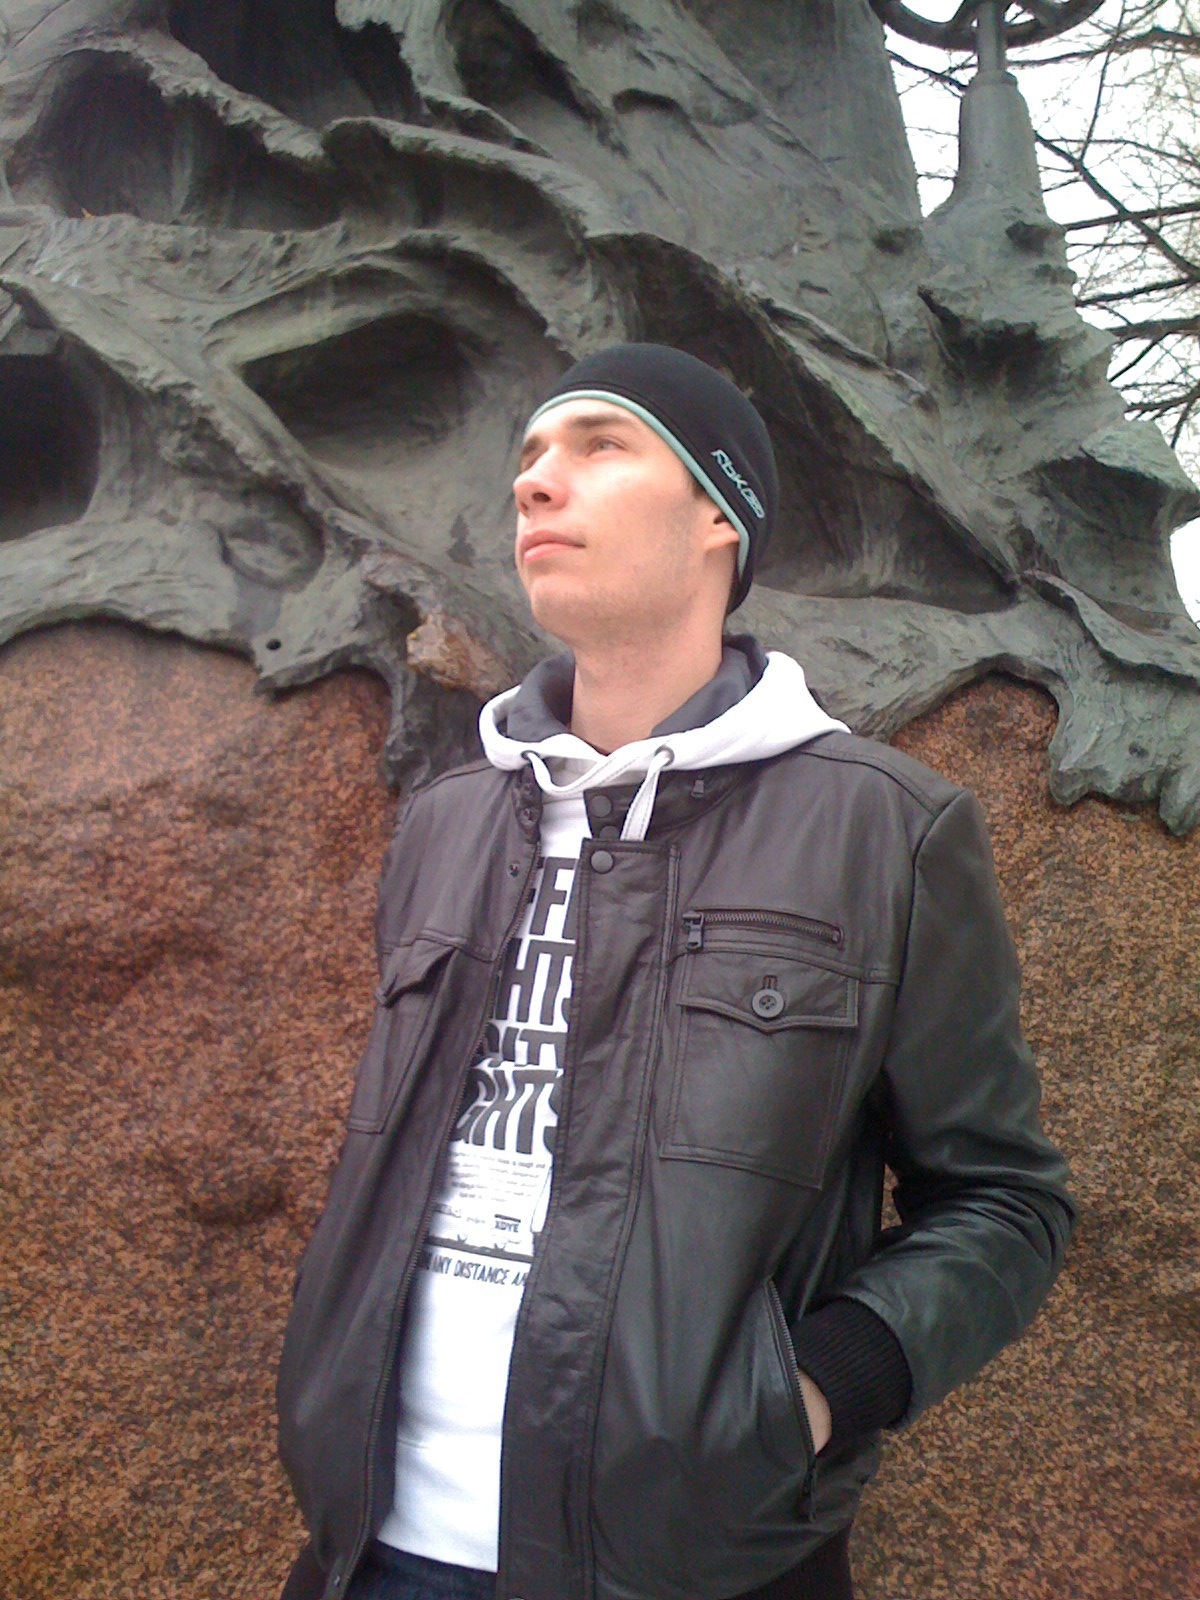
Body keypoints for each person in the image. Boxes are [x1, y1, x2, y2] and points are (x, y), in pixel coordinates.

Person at [276, 344, 1074, 1600]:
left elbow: (1004, 1197)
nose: (538, 480)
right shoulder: (448, 819)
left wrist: (810, 1395)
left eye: (601, 445)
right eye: (532, 454)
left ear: (719, 515)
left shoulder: (883, 831)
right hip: (369, 1544)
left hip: (686, 1561)